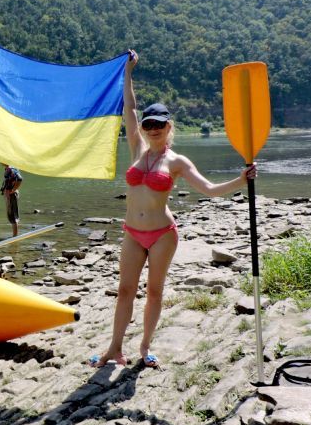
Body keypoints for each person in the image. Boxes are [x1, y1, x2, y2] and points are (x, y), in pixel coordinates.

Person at [90, 50, 257, 369]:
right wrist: (127, 72)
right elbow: (130, 106)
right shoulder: (137, 147)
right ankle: (114, 348)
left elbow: (208, 189)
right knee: (125, 291)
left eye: (159, 125)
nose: (153, 128)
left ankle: (144, 347)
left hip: (162, 234)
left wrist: (239, 179)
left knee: (154, 292)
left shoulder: (177, 162)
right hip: (132, 233)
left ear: (169, 127)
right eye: (149, 124)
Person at [1, 164, 23, 236]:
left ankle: (15, 237)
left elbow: (19, 179)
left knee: (13, 216)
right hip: (10, 195)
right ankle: (14, 236)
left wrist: (13, 190)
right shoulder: (11, 168)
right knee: (11, 215)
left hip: (11, 195)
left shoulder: (11, 169)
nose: (0, 162)